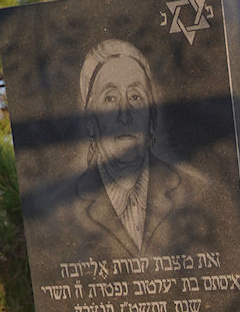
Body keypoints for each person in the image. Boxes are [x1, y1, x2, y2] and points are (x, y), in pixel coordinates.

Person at [50, 40, 210, 259]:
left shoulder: (199, 192)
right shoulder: (59, 209)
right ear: (90, 120)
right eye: (110, 98)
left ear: (151, 118)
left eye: (136, 97)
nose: (124, 115)